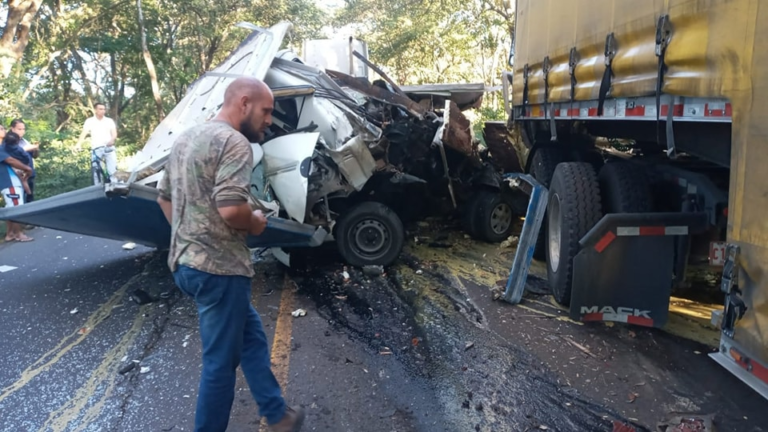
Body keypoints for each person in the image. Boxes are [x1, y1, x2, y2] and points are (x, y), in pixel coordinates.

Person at [156, 77, 305, 432]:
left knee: (251, 336)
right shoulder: (235, 143)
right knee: (220, 365)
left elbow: (164, 197)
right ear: (243, 102)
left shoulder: (186, 139)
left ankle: (278, 415)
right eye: (266, 110)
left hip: (187, 264)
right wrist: (254, 223)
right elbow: (230, 209)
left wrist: (189, 234)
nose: (269, 119)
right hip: (220, 270)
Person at [0, 132, 34, 242]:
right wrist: (27, 168)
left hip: (11, 180)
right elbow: (10, 160)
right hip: (9, 181)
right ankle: (19, 234)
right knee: (16, 207)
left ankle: (10, 233)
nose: (3, 129)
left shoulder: (4, 147)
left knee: (11, 207)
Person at [79, 103, 118, 183]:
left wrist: (112, 140)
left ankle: (114, 186)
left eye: (104, 109)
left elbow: (114, 133)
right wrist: (78, 144)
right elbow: (84, 133)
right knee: (96, 169)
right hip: (96, 148)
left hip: (109, 148)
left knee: (112, 169)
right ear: (95, 110)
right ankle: (98, 187)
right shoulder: (90, 121)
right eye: (100, 109)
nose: (103, 111)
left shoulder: (109, 121)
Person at [9, 119, 38, 202]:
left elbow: (35, 156)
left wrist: (35, 149)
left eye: (23, 129)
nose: (22, 131)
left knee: (30, 200)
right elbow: (11, 154)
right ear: (12, 129)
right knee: (20, 200)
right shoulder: (9, 141)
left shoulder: (24, 141)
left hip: (29, 175)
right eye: (19, 129)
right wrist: (26, 148)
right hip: (18, 176)